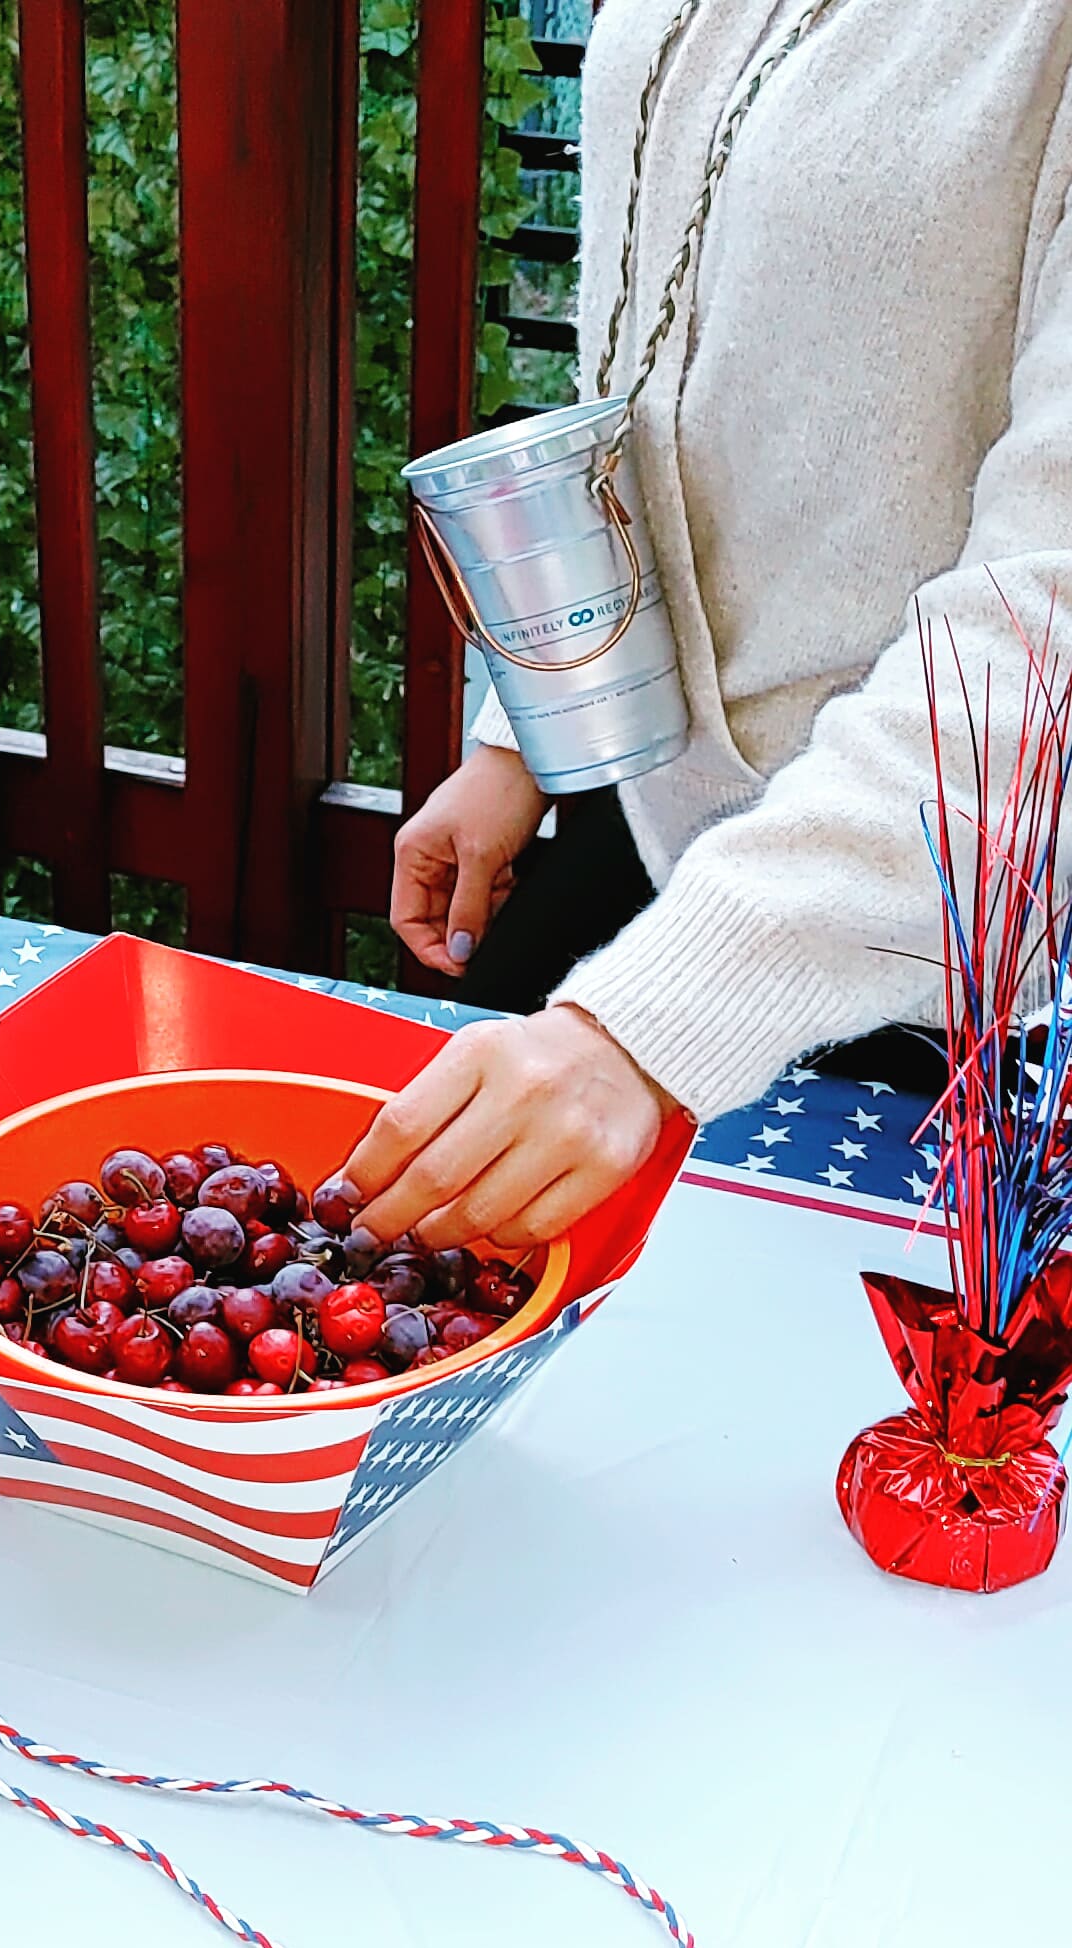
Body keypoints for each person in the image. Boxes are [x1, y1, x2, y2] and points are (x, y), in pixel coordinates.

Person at [341, 0, 1072, 1250]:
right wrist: (525, 726)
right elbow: (648, 359)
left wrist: (653, 1022)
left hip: (923, 929)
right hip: (635, 831)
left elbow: (1049, 609)